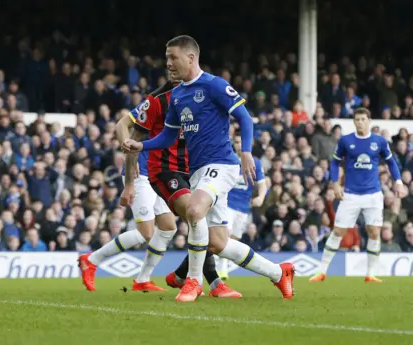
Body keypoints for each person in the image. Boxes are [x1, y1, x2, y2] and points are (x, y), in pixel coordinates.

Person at [123, 35, 294, 302]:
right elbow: (168, 137)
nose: (168, 63)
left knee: (193, 209)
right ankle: (278, 273)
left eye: (173, 57)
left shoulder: (214, 85)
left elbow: (245, 119)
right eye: (167, 57)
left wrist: (246, 152)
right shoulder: (178, 95)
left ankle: (192, 281)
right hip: (198, 171)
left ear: (190, 58)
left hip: (223, 165)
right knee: (217, 242)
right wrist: (140, 147)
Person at [79, 80, 241, 298]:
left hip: (168, 173)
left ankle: (143, 279)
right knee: (149, 231)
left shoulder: (189, 107)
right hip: (144, 173)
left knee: (168, 227)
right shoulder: (157, 102)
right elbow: (121, 126)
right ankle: (91, 260)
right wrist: (129, 168)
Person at [310, 108, 406, 283]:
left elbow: (391, 163)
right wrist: (335, 183)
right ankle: (321, 271)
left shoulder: (380, 141)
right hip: (351, 194)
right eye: (357, 119)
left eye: (363, 119)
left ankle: (370, 274)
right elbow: (334, 163)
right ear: (354, 122)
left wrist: (398, 181)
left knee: (374, 232)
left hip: (373, 194)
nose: (360, 122)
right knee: (338, 230)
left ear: (369, 120)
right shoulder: (346, 141)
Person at [167, 133, 267, 283]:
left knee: (226, 241)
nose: (240, 145)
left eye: (242, 142)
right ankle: (219, 271)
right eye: (237, 142)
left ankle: (183, 273)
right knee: (220, 239)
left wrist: (260, 197)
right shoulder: (228, 160)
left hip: (243, 208)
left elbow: (262, 184)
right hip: (227, 204)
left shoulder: (256, 163)